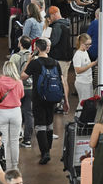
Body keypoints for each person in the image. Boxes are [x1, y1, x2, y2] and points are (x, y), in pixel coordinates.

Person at [21, 37, 69, 165]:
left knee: (40, 125)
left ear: (37, 48)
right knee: (49, 123)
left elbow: (22, 76)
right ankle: (48, 148)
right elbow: (63, 82)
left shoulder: (35, 63)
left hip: (39, 98)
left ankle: (45, 152)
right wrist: (66, 100)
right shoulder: (55, 63)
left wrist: (29, 61)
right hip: (53, 97)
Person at [0, 62, 25, 170]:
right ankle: (15, 165)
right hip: (16, 112)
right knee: (14, 141)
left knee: (2, 141)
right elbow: (22, 95)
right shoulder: (19, 81)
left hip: (2, 113)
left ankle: (3, 164)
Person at [10, 36, 34, 148]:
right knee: (28, 113)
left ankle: (18, 133)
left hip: (17, 88)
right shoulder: (33, 57)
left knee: (16, 111)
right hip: (30, 87)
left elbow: (10, 72)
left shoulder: (15, 57)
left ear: (20, 44)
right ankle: (27, 139)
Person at [73, 33, 97, 103]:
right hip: (82, 82)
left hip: (88, 81)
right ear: (81, 43)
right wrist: (90, 65)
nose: (89, 46)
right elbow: (78, 70)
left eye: (90, 44)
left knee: (88, 102)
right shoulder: (78, 55)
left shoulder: (85, 52)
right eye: (87, 44)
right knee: (84, 103)